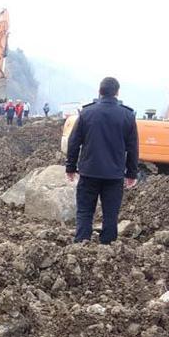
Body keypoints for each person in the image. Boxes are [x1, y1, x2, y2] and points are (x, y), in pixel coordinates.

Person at [66, 77, 139, 244]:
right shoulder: (128, 116)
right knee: (111, 214)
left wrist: (70, 167)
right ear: (117, 92)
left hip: (89, 172)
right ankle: (107, 247)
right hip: (114, 175)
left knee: (84, 211)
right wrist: (132, 173)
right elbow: (133, 147)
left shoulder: (86, 113)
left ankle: (81, 245)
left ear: (99, 91)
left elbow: (74, 142)